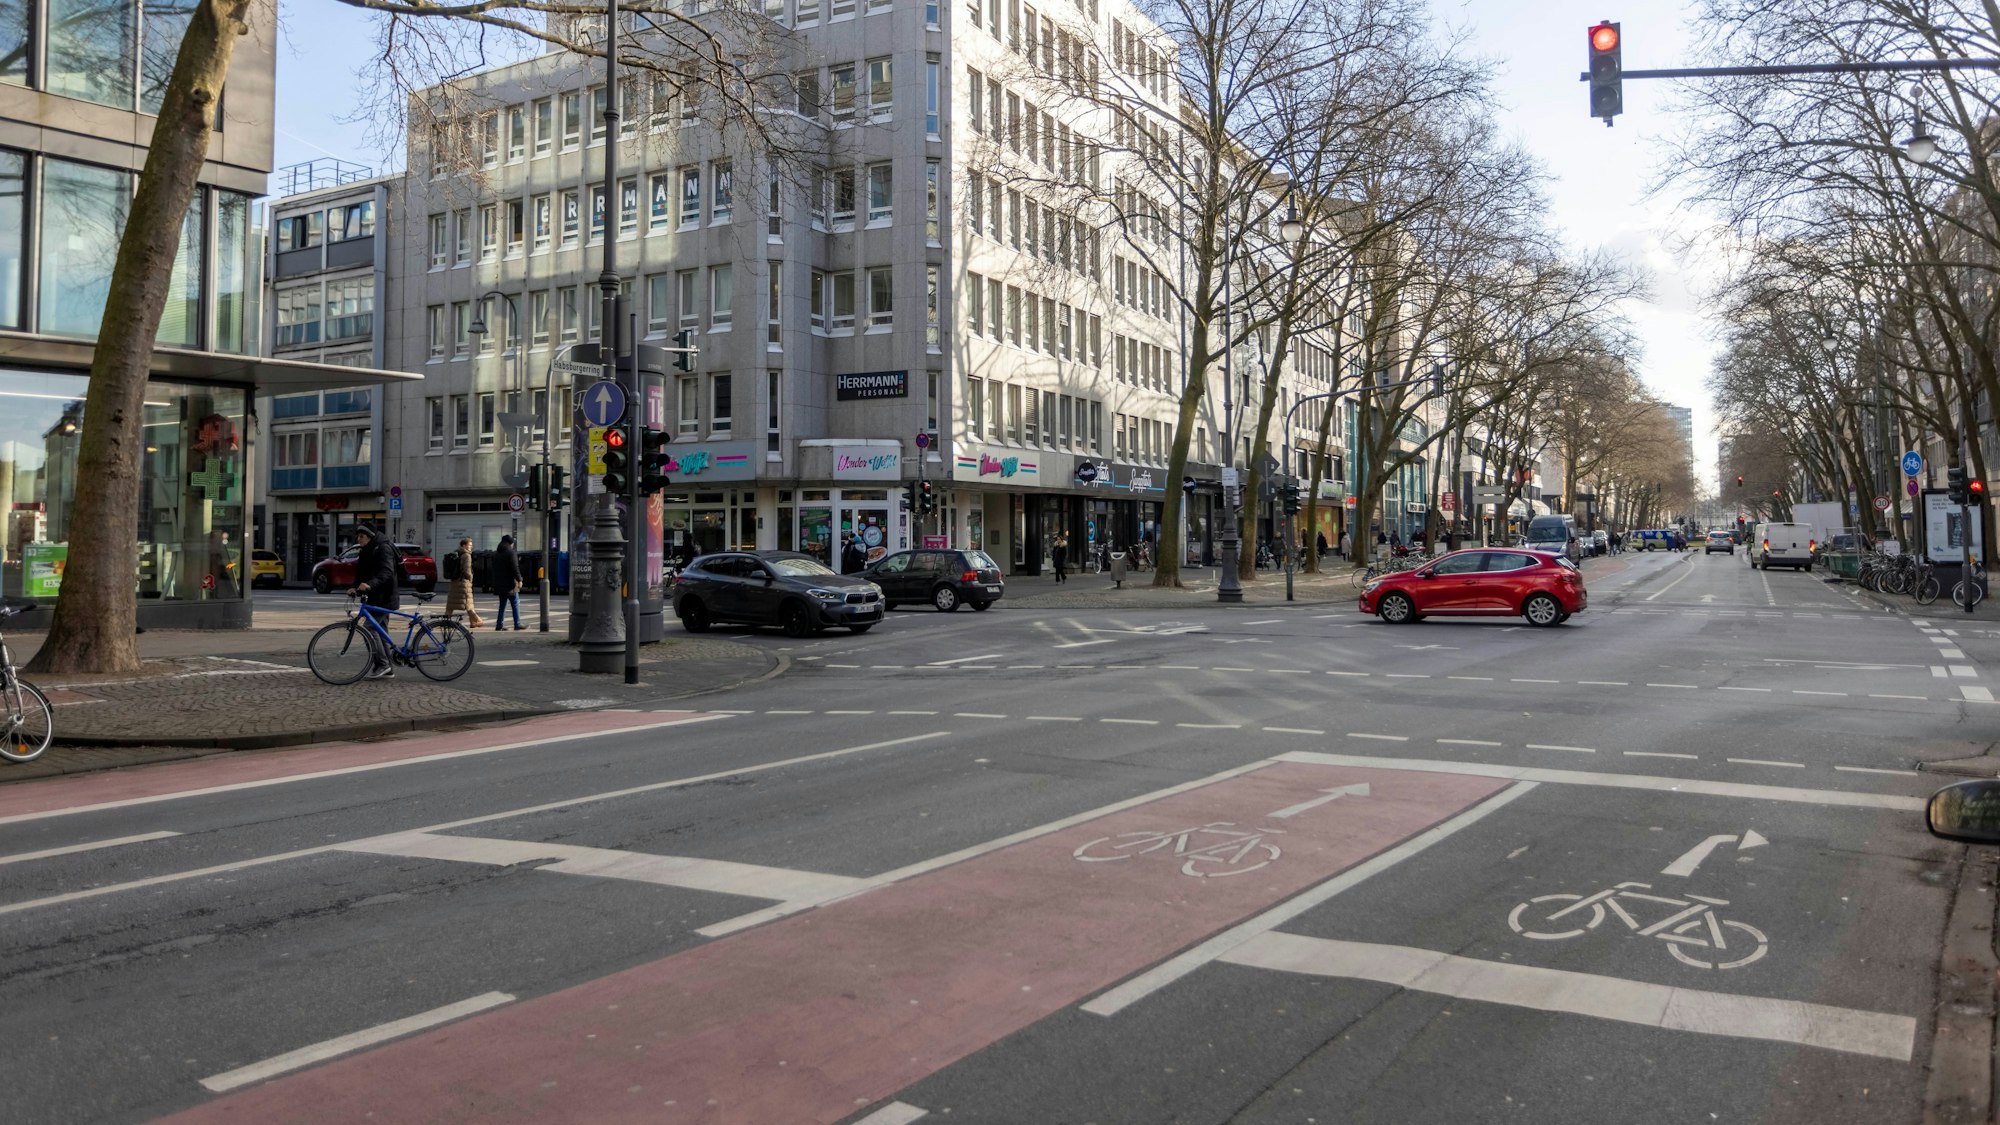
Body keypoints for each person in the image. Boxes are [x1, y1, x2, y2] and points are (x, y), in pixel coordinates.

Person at [350, 525, 400, 679]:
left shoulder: (383, 548)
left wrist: (371, 584)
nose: (358, 540)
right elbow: (362, 572)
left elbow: (387, 571)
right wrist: (354, 587)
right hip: (374, 597)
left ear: (370, 536)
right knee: (381, 631)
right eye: (357, 537)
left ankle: (383, 664)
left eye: (361, 537)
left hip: (385, 596)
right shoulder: (365, 550)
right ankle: (387, 667)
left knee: (369, 628)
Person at [444, 538, 485, 628]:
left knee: (451, 604)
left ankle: (446, 622)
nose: (471, 547)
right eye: (469, 545)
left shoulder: (456, 553)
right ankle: (477, 620)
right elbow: (466, 570)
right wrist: (471, 578)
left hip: (455, 582)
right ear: (464, 545)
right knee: (468, 604)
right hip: (463, 583)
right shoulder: (466, 555)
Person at [491, 534, 523, 630]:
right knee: (515, 603)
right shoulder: (511, 553)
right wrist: (519, 579)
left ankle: (499, 625)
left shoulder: (496, 554)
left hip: (500, 583)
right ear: (510, 543)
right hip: (510, 584)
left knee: (502, 605)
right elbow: (515, 568)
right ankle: (517, 624)